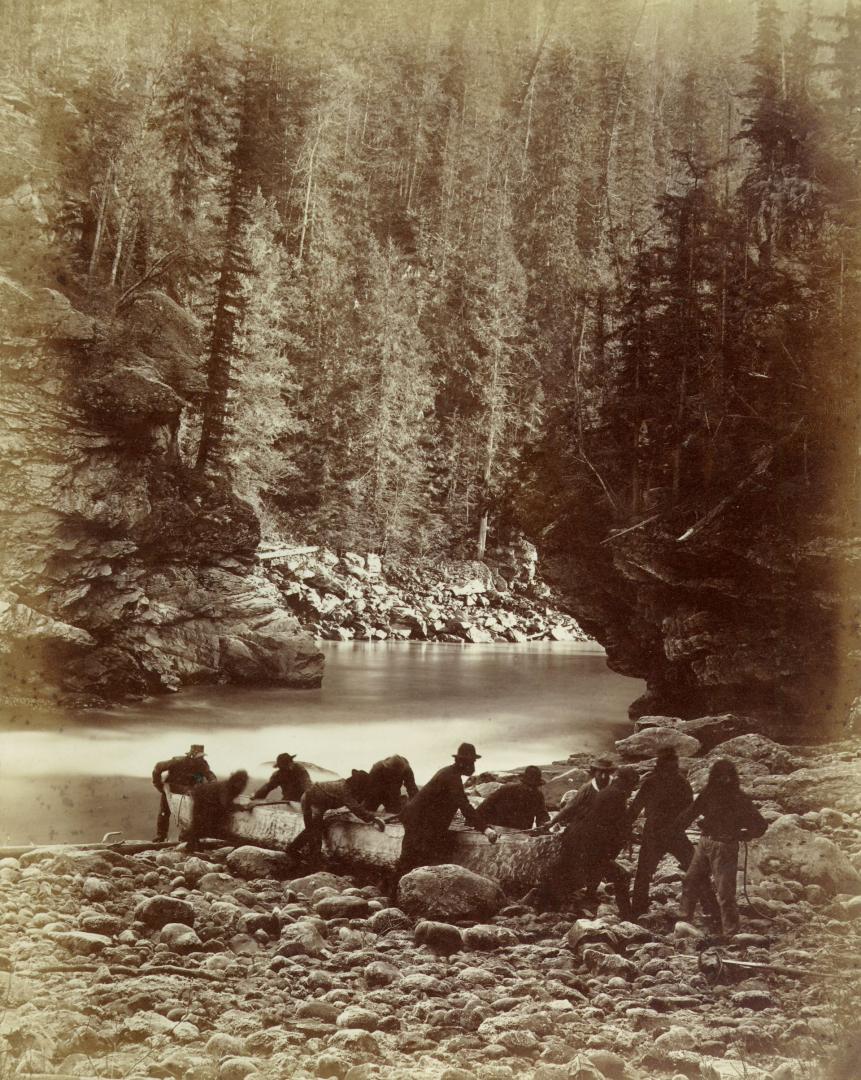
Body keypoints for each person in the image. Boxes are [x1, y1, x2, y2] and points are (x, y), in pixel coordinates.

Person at [674, 758, 768, 936]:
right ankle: (683, 919)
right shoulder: (708, 793)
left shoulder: (740, 798)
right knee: (691, 880)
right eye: (720, 777)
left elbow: (761, 825)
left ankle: (730, 932)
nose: (725, 781)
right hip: (705, 842)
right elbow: (690, 812)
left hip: (725, 847)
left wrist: (741, 835)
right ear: (714, 777)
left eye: (728, 777)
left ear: (733, 778)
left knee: (725, 891)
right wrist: (675, 828)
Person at [530, 765, 639, 916]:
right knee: (621, 876)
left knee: (567, 872)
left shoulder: (606, 792)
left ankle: (546, 904)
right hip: (590, 845)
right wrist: (627, 837)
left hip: (581, 840)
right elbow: (617, 824)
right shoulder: (616, 795)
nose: (631, 790)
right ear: (626, 782)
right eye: (632, 786)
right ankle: (628, 916)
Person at [393, 743, 498, 892]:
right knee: (410, 860)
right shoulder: (452, 777)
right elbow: (464, 805)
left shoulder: (449, 773)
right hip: (419, 822)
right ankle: (393, 895)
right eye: (471, 762)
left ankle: (400, 893)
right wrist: (485, 829)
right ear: (463, 762)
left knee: (414, 859)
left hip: (420, 820)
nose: (473, 766)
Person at [629, 746, 719, 919]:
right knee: (695, 870)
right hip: (674, 833)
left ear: (658, 764)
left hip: (655, 833)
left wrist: (624, 827)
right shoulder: (681, 783)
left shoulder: (651, 782)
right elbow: (690, 810)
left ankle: (638, 911)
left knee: (644, 873)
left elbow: (634, 809)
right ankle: (712, 908)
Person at [289, 771, 385, 861]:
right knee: (314, 829)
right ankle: (310, 858)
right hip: (311, 800)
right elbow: (355, 807)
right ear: (357, 784)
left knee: (313, 828)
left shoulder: (346, 786)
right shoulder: (343, 789)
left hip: (318, 802)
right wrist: (373, 818)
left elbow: (355, 804)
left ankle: (296, 850)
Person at [532, 754, 615, 835]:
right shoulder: (587, 788)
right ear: (595, 772)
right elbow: (570, 806)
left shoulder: (616, 784)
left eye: (606, 773)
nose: (603, 776)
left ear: (610, 773)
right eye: (600, 773)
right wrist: (552, 822)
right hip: (591, 824)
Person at [151, 744, 216, 842]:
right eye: (199, 756)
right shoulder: (177, 761)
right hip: (171, 790)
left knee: (188, 814)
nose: (201, 758)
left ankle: (184, 838)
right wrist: (158, 784)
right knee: (164, 812)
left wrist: (213, 784)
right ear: (192, 755)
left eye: (202, 756)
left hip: (189, 792)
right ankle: (161, 836)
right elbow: (158, 767)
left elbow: (210, 775)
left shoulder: (202, 764)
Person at [183, 770, 249, 851]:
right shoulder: (226, 787)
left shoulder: (231, 787)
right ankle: (190, 843)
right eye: (241, 783)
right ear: (235, 780)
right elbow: (224, 804)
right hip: (201, 798)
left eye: (244, 783)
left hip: (209, 800)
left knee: (206, 824)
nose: (242, 786)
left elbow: (224, 804)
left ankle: (192, 841)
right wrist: (240, 807)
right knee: (199, 823)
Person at [474, 766, 550, 831]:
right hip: (498, 830)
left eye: (534, 786)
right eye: (529, 785)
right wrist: (480, 825)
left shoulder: (538, 795)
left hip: (522, 833)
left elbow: (542, 815)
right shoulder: (507, 789)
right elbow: (483, 807)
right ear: (523, 783)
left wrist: (543, 826)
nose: (531, 789)